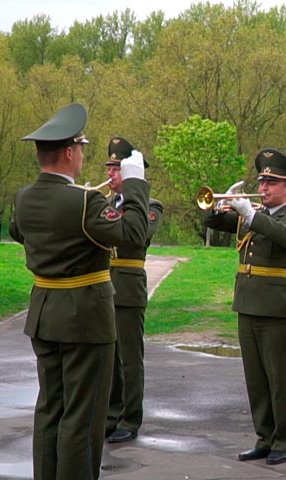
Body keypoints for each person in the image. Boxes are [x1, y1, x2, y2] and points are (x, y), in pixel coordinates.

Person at [9, 103, 150, 480]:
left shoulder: (24, 198)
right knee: (82, 417)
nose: (84, 155)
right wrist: (137, 186)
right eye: (81, 148)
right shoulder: (85, 202)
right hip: (85, 317)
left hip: (45, 312)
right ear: (69, 153)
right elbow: (133, 235)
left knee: (50, 410)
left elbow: (20, 232)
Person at [202, 148, 286, 465]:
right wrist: (224, 202)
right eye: (262, 182)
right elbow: (210, 218)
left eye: (272, 183)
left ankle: (283, 441)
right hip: (247, 303)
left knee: (278, 380)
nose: (263, 188)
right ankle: (264, 437)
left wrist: (251, 216)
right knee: (256, 380)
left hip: (277, 307)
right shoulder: (250, 216)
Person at [103, 137, 165, 444]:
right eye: (110, 168)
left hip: (127, 286)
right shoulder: (104, 202)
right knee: (109, 359)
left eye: (117, 169)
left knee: (129, 358)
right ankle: (112, 415)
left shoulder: (149, 207)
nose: (111, 175)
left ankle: (130, 418)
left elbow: (135, 238)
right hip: (104, 286)